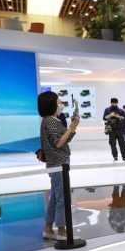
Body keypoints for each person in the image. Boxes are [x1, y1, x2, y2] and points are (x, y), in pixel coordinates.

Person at [38, 91, 80, 241]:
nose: (61, 104)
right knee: (62, 198)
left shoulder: (51, 120)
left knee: (56, 197)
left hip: (58, 163)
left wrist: (72, 127)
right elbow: (59, 143)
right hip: (58, 164)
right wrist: (71, 127)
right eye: (59, 102)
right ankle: (62, 231)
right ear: (51, 104)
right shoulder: (50, 121)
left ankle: (48, 228)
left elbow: (64, 139)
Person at [103, 98, 125, 162]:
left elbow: (123, 118)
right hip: (111, 129)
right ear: (111, 103)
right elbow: (104, 118)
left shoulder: (120, 110)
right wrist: (110, 115)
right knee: (112, 144)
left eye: (115, 103)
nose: (114, 104)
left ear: (117, 103)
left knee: (122, 143)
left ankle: (124, 157)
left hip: (119, 129)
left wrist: (118, 116)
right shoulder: (107, 110)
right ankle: (115, 157)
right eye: (113, 103)